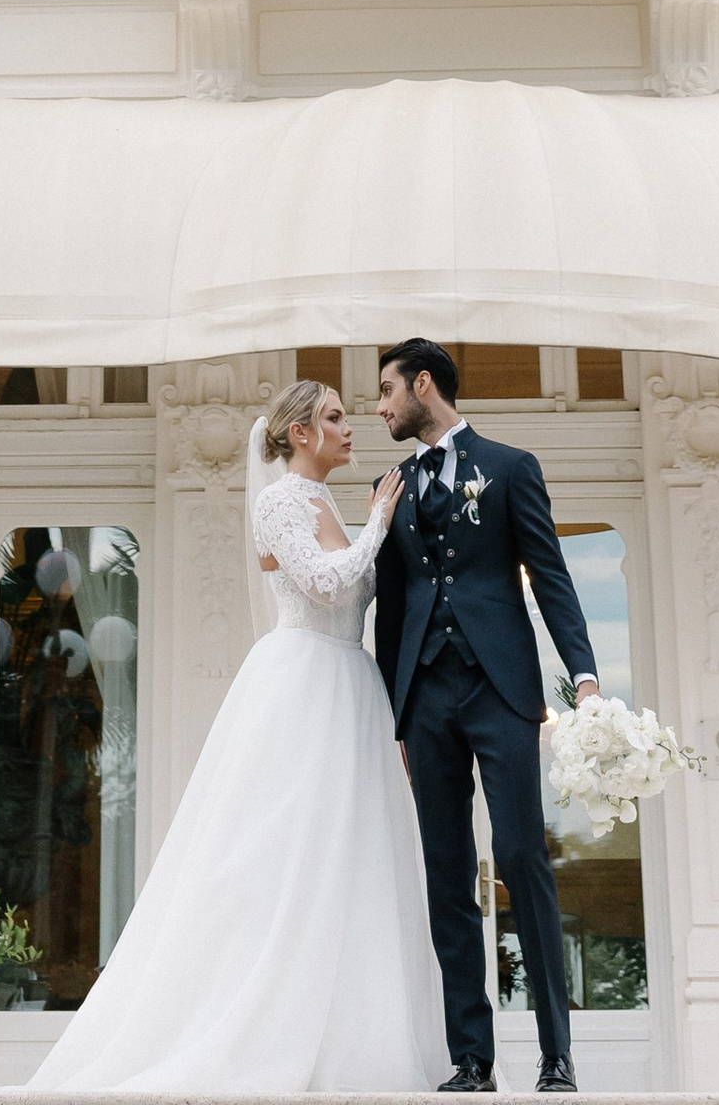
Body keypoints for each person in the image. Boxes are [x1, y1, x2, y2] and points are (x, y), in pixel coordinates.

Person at [32, 376, 445, 1095]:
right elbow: (320, 582)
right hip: (305, 682)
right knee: (283, 850)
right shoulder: (281, 499)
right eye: (336, 418)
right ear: (300, 434)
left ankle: (350, 1035)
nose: (351, 428)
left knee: (352, 853)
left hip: (350, 684)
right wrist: (380, 520)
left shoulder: (320, 501)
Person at [374, 336, 601, 1096]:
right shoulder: (391, 486)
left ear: (424, 385)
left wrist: (586, 677)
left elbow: (552, 578)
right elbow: (394, 606)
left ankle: (556, 1053)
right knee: (446, 876)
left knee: (520, 855)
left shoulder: (510, 468)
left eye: (386, 392)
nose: (380, 408)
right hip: (426, 699)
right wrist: (397, 715)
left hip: (500, 691)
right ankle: (470, 1057)